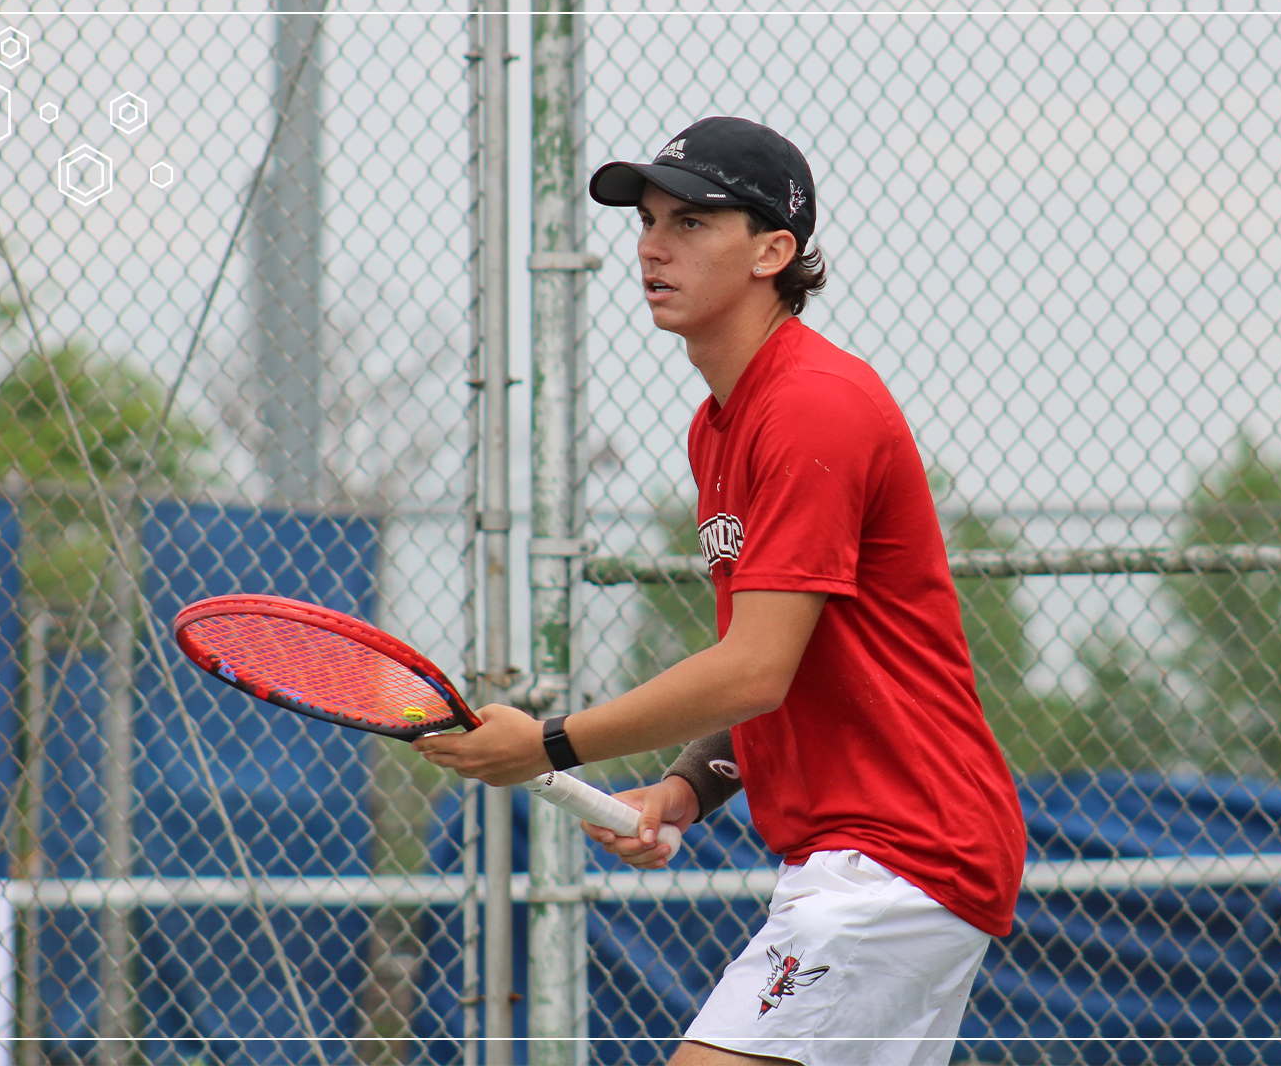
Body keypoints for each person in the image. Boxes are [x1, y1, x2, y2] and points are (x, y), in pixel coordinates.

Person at [413, 116, 1025, 1066]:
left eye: (693, 222)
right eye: (649, 221)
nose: (655, 246)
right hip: (866, 858)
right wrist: (687, 789)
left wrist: (546, 744)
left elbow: (753, 672)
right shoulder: (719, 425)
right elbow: (786, 671)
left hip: (900, 854)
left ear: (773, 251)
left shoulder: (814, 404)